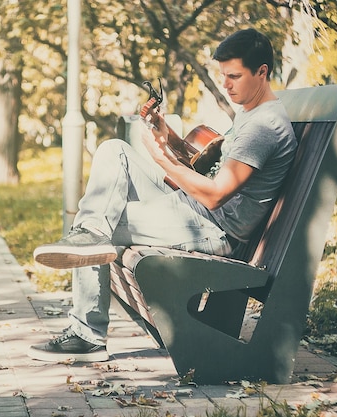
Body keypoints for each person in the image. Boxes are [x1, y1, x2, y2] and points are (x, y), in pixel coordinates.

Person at [28, 28, 298, 362]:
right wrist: (167, 137)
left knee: (97, 227)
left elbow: (215, 195)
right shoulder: (251, 112)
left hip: (214, 228)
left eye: (234, 76)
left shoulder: (263, 126)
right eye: (222, 76)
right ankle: (89, 243)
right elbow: (204, 170)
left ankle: (87, 334)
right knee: (115, 152)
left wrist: (159, 159)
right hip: (193, 211)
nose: (226, 85)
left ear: (262, 72)